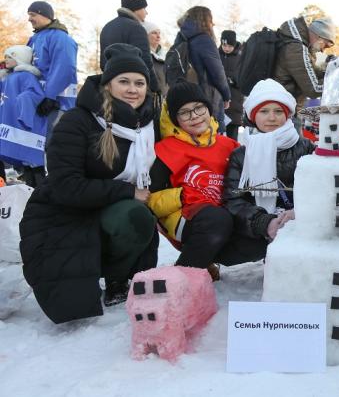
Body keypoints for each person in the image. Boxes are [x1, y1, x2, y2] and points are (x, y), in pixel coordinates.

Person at [19, 44, 160, 323]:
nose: (133, 89)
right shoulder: (77, 121)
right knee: (133, 212)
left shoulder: (147, 125)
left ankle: (118, 278)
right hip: (64, 212)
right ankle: (96, 272)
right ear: (107, 85)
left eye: (139, 83)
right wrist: (129, 190)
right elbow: (65, 186)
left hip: (108, 210)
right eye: (124, 82)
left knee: (139, 217)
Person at [148, 80, 239, 278]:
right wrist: (183, 196)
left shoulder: (229, 145)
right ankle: (181, 277)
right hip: (185, 218)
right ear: (175, 119)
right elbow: (150, 200)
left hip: (222, 217)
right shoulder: (165, 150)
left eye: (199, 108)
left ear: (208, 108)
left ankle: (204, 259)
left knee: (251, 232)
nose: (195, 116)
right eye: (184, 112)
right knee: (217, 219)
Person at [222, 79, 315, 261]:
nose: (272, 118)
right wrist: (265, 222)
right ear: (253, 116)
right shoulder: (241, 155)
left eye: (278, 111)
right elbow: (234, 201)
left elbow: (321, 189)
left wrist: (302, 212)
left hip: (303, 222)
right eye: (264, 111)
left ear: (287, 115)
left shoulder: (306, 147)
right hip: (263, 227)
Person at [26, 0, 78, 144]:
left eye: (33, 14)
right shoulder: (35, 38)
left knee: (53, 147)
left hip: (58, 104)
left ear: (45, 15)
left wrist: (50, 96)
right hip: (38, 101)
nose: (29, 19)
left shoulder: (60, 38)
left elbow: (65, 67)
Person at [174, 6, 231, 129]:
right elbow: (217, 72)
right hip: (207, 96)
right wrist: (226, 96)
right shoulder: (204, 40)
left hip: (186, 95)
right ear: (205, 21)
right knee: (212, 134)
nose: (213, 24)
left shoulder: (181, 38)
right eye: (210, 20)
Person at [100, 0, 160, 94]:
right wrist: (156, 88)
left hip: (110, 86)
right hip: (131, 88)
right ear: (136, 8)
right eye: (144, 8)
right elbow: (145, 62)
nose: (146, 12)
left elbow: (103, 63)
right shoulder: (136, 28)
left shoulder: (107, 27)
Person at [0, 46, 48, 182]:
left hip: (21, 124)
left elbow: (35, 93)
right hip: (10, 121)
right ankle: (29, 186)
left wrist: (24, 99)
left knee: (30, 159)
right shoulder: (8, 76)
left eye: (10, 57)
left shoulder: (26, 76)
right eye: (6, 56)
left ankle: (38, 187)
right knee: (22, 161)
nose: (6, 59)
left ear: (20, 59)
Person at [273, 17, 335, 106]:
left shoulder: (300, 46)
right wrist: (337, 80)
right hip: (281, 105)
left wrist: (329, 68)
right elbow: (314, 89)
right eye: (325, 45)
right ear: (319, 37)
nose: (322, 50)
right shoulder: (296, 49)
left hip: (283, 103)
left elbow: (311, 74)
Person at [219, 30, 244, 139]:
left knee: (232, 136)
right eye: (224, 45)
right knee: (216, 134)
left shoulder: (241, 56)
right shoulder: (215, 54)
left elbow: (244, 76)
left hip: (234, 101)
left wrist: (233, 80)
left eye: (230, 46)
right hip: (218, 100)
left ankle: (233, 155)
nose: (227, 48)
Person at [143, 21, 167, 96]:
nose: (158, 36)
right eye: (154, 33)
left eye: (159, 33)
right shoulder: (144, 57)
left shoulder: (166, 55)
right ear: (145, 36)